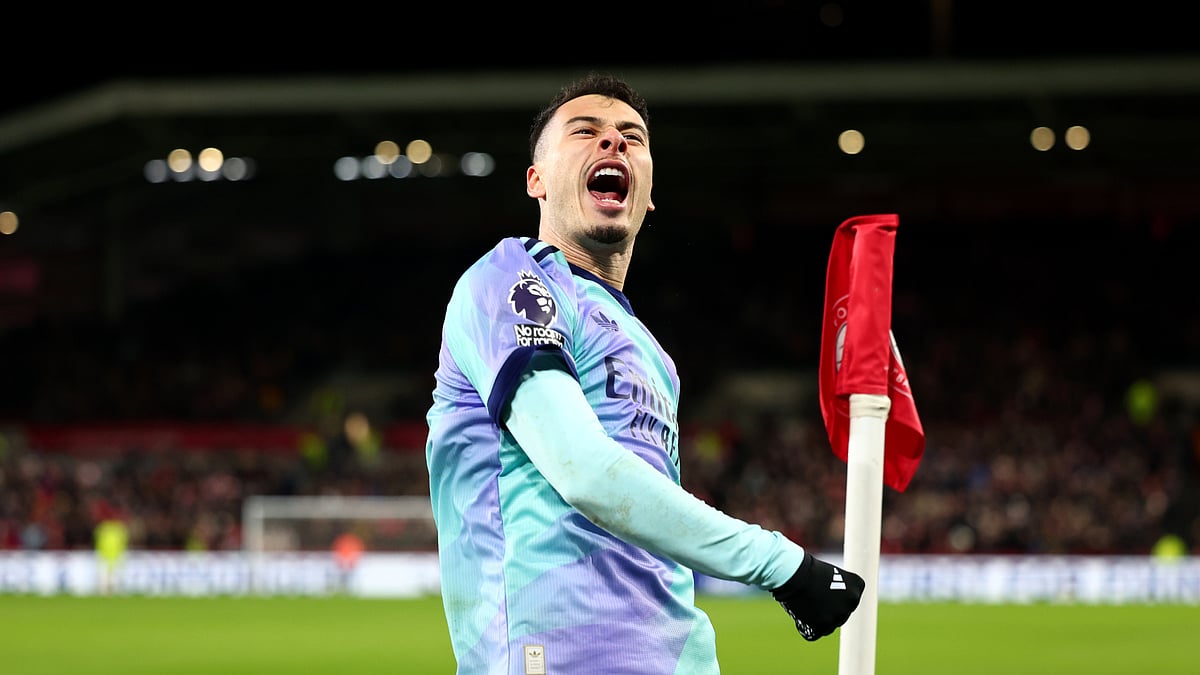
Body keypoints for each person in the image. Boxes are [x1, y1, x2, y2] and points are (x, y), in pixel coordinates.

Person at [425, 71, 865, 674]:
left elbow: (649, 522)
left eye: (632, 137)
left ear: (650, 192)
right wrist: (783, 565)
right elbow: (583, 470)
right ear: (537, 181)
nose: (614, 143)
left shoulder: (654, 356)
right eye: (586, 132)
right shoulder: (511, 280)